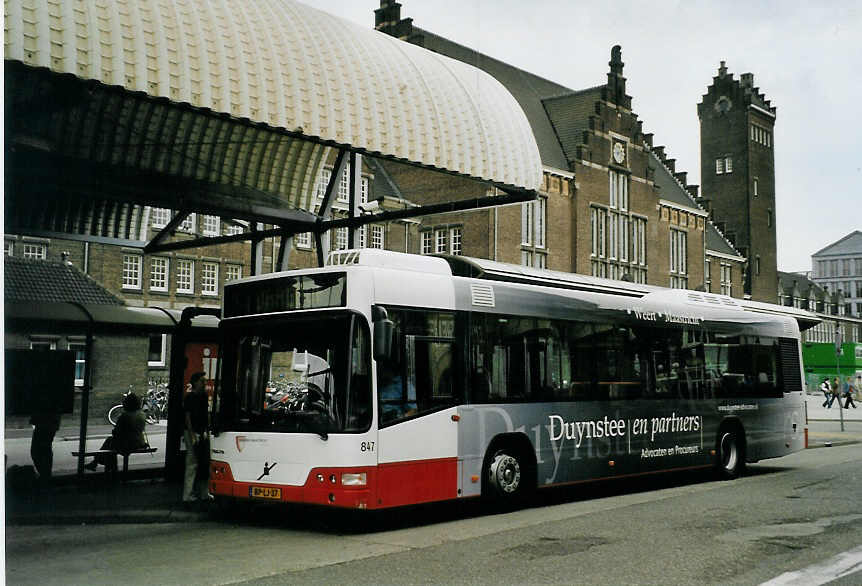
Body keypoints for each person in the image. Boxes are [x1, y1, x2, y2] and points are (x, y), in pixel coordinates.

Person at [85, 392, 148, 471]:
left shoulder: (125, 416)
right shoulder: (142, 414)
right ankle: (97, 463)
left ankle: (104, 466)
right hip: (139, 443)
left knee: (110, 444)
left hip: (128, 444)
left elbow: (116, 432)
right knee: (111, 443)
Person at [183, 371, 211, 507]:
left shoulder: (203, 396)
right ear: (195, 382)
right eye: (202, 381)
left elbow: (205, 415)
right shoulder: (190, 397)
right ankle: (188, 495)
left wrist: (206, 431)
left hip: (201, 431)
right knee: (193, 462)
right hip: (193, 432)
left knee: (203, 462)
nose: (204, 383)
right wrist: (193, 435)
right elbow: (187, 418)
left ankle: (202, 492)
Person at [29, 411, 61, 482]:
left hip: (44, 424)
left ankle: (45, 475)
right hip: (48, 423)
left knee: (38, 451)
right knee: (44, 450)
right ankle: (45, 475)